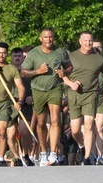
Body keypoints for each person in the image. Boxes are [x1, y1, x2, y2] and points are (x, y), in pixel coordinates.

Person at [20, 27, 71, 166]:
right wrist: (38, 71)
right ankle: (43, 152)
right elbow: (23, 72)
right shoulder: (34, 53)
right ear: (40, 39)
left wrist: (64, 72)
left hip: (55, 88)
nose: (48, 40)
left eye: (51, 37)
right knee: (41, 123)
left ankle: (53, 154)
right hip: (38, 89)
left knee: (55, 120)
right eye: (46, 37)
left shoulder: (60, 51)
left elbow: (69, 67)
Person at [63, 31, 103, 165]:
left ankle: (87, 157)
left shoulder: (99, 59)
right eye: (85, 40)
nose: (88, 43)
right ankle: (82, 146)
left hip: (91, 94)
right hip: (74, 95)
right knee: (75, 130)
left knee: (89, 125)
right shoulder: (72, 57)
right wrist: (70, 83)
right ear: (80, 41)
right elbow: (61, 74)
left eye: (90, 40)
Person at [10, 47, 36, 166]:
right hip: (10, 104)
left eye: (20, 56)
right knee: (10, 133)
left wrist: (33, 98)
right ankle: (16, 156)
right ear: (11, 57)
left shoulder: (29, 73)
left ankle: (25, 154)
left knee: (25, 132)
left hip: (25, 105)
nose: (17, 58)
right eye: (15, 56)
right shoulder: (7, 71)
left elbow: (36, 88)